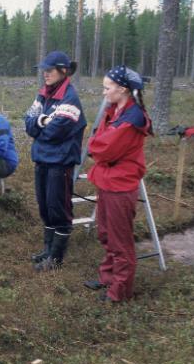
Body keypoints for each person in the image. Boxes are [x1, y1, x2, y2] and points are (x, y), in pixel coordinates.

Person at [83, 65, 152, 303]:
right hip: (107, 181)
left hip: (120, 186)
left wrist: (95, 147)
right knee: (106, 234)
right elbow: (98, 141)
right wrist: (96, 146)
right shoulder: (114, 111)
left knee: (120, 241)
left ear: (122, 89)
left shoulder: (133, 118)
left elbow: (103, 148)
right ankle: (108, 277)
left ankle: (119, 292)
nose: (103, 92)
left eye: (107, 87)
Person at [25, 51, 87, 271]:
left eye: (49, 70)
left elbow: (56, 132)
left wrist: (40, 126)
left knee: (58, 208)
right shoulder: (43, 94)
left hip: (60, 162)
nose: (45, 74)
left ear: (63, 70)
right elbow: (28, 123)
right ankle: (47, 251)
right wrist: (43, 121)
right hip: (42, 160)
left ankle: (56, 258)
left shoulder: (71, 98)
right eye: (43, 70)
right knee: (45, 207)